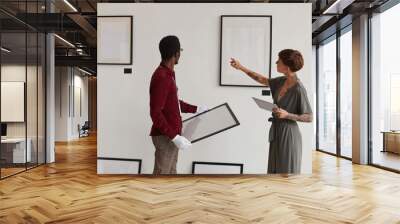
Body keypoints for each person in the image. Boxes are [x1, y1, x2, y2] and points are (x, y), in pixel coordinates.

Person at [230, 49, 313, 174]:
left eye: (278, 61)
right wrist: (241, 67)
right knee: (274, 171)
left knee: (287, 172)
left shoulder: (298, 89)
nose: (276, 62)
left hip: (289, 133)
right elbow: (261, 79)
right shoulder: (281, 81)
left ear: (287, 66)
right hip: (276, 130)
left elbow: (309, 117)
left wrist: (287, 115)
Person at [149, 35, 207, 175]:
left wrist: (196, 109)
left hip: (171, 137)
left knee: (171, 175)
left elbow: (173, 103)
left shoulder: (168, 74)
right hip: (166, 137)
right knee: (162, 176)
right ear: (177, 53)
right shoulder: (162, 76)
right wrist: (174, 137)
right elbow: (155, 112)